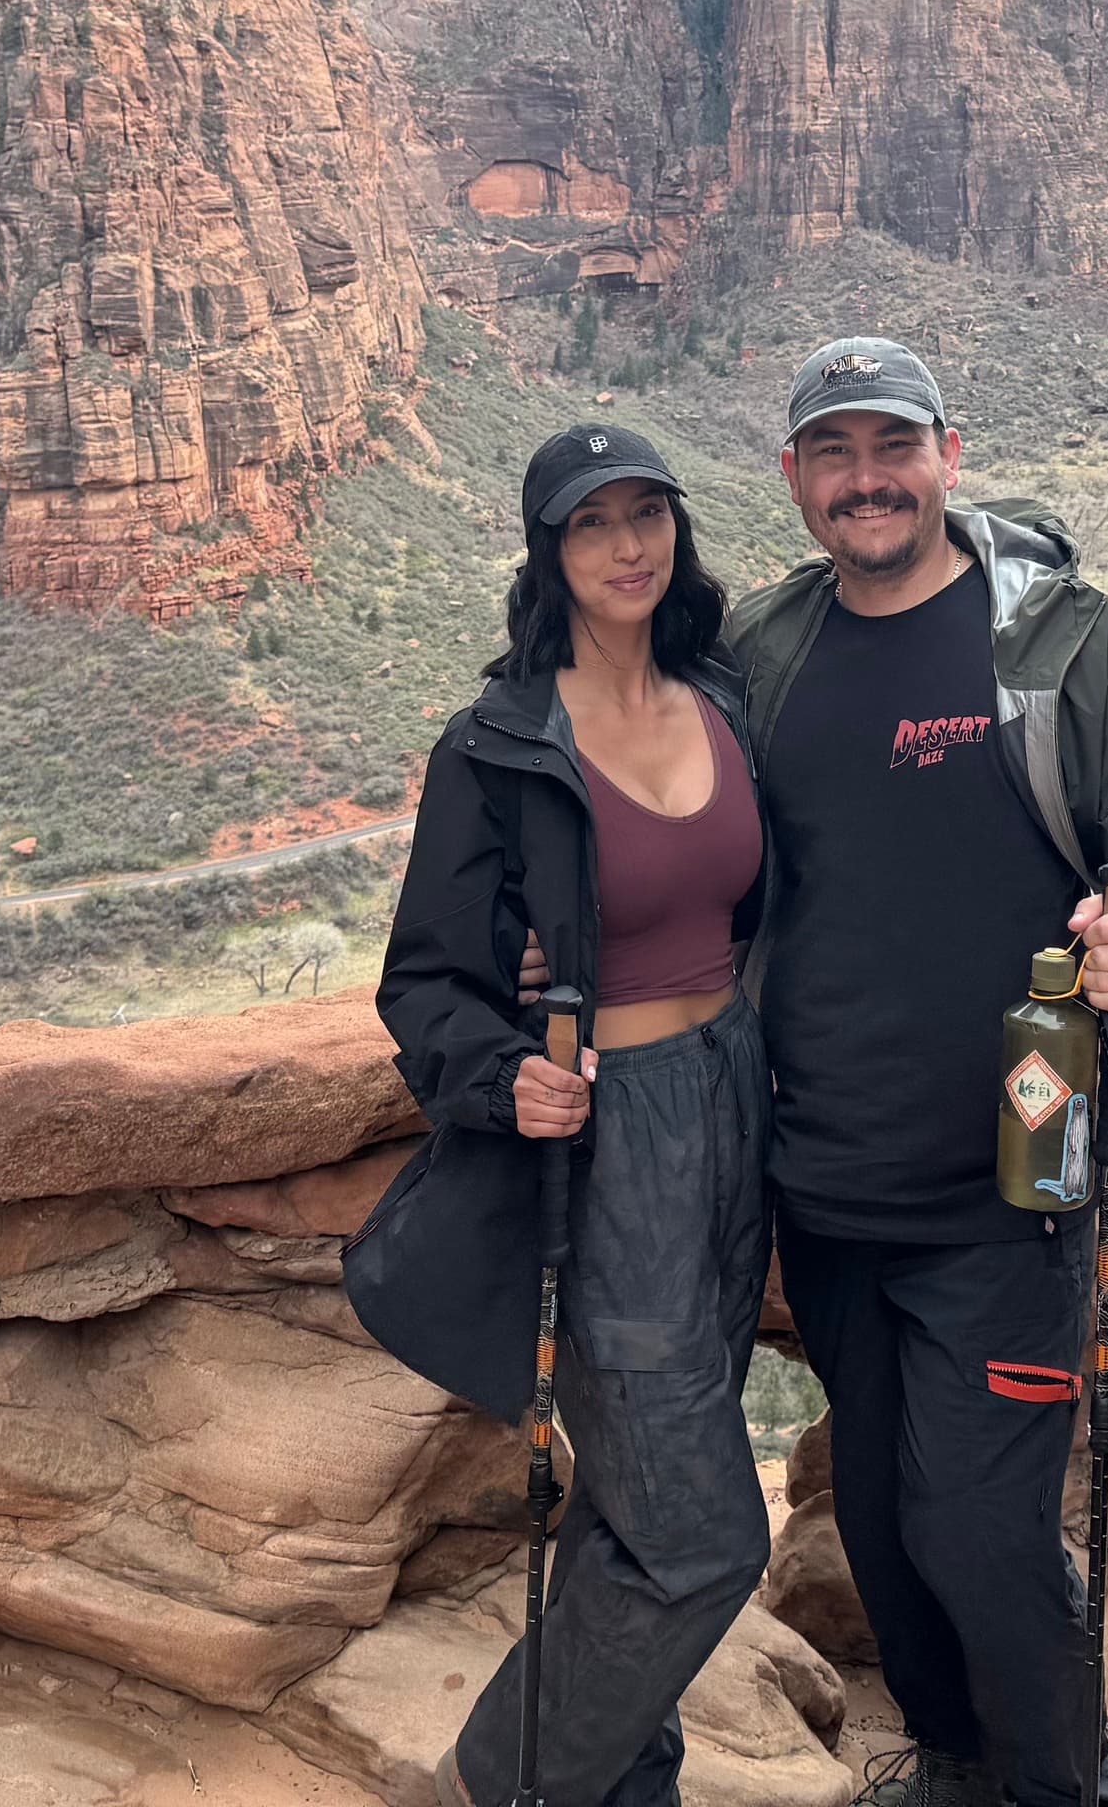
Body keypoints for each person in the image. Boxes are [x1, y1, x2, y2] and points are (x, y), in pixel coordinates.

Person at [733, 335, 1108, 1807]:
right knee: (877, 1513)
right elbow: (681, 846)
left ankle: (1066, 1787)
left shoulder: (1061, 646)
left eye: (893, 447)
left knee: (981, 1526)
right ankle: (959, 1758)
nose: (868, 481)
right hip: (825, 1181)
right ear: (796, 478)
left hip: (1014, 1183)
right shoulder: (767, 659)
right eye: (836, 454)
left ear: (948, 455)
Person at [355, 422, 774, 1807]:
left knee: (630, 1505)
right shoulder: (497, 746)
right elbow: (427, 981)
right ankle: (490, 1786)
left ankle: (619, 1786)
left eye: (649, 512)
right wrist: (500, 1075)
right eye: (592, 522)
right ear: (550, 551)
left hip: (734, 1109)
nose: (627, 545)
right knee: (701, 1538)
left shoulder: (721, 697)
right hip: (608, 1147)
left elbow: (761, 907)